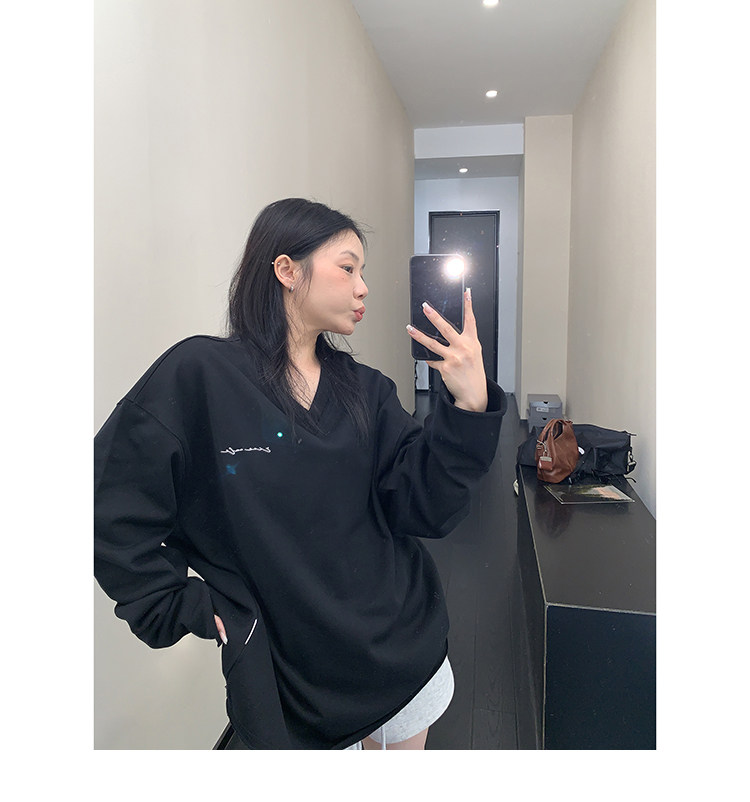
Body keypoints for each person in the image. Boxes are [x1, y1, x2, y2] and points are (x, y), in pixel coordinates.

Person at [94, 197, 507, 750]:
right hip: (295, 691)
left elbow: (425, 508)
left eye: (363, 272)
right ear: (287, 270)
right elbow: (109, 507)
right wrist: (180, 605)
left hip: (407, 658)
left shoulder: (366, 390)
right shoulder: (200, 377)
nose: (363, 288)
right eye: (348, 268)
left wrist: (470, 407)